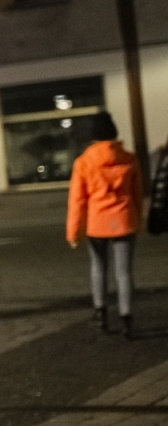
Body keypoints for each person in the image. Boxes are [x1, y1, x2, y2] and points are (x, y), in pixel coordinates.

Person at [67, 111, 143, 339]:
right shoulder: (129, 159)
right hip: (124, 219)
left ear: (93, 136)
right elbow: (137, 194)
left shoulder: (84, 162)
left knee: (98, 267)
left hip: (97, 222)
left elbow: (77, 200)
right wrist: (137, 219)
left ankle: (101, 313)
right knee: (124, 272)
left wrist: (73, 232)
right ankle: (126, 318)